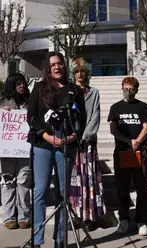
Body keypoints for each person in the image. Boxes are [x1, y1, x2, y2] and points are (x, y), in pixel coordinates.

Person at [28, 52, 87, 248]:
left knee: (63, 194)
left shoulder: (74, 90)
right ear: (47, 68)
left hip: (66, 146)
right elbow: (32, 117)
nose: (57, 67)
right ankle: (36, 239)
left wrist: (73, 136)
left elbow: (82, 118)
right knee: (40, 190)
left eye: (60, 63)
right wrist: (45, 135)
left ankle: (60, 239)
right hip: (43, 145)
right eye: (53, 64)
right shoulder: (38, 88)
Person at [107, 76, 147, 237]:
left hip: (140, 153)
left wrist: (138, 142)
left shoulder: (143, 107)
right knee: (122, 188)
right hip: (122, 152)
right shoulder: (115, 108)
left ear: (136, 90)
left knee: (141, 188)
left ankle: (142, 222)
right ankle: (124, 219)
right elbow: (113, 129)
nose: (128, 92)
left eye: (131, 89)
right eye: (125, 89)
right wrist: (128, 141)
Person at [68, 58, 105, 232]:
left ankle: (90, 216)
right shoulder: (68, 92)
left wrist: (85, 136)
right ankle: (75, 215)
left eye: (82, 71)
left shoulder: (94, 92)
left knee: (88, 179)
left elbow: (95, 116)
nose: (79, 74)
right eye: (76, 71)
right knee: (74, 179)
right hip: (71, 142)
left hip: (87, 143)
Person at [0, 72, 32, 230]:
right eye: (17, 84)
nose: (21, 86)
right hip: (7, 150)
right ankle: (9, 216)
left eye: (22, 83)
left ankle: (24, 216)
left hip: (25, 149)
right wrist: (2, 113)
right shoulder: (1, 101)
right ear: (11, 86)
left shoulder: (30, 100)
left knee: (23, 181)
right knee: (8, 181)